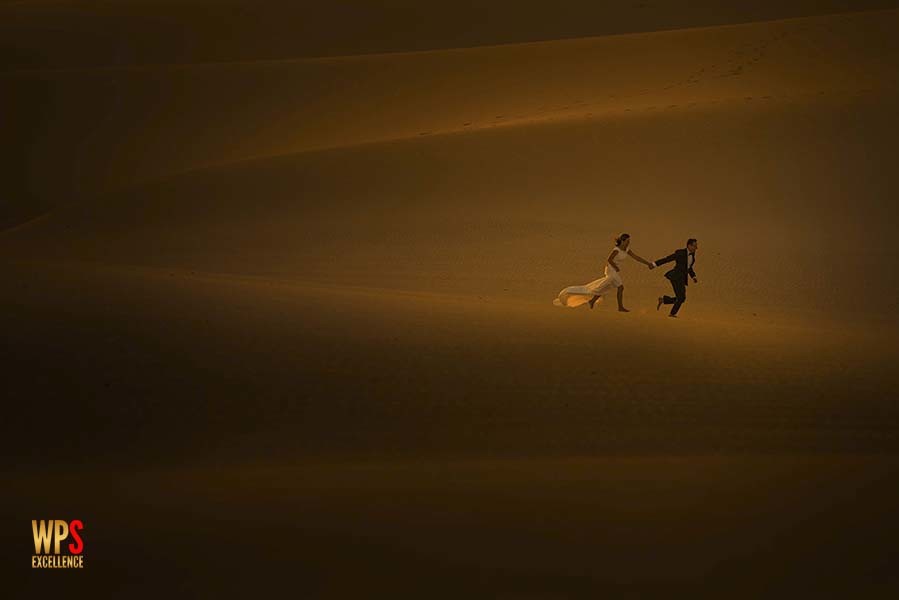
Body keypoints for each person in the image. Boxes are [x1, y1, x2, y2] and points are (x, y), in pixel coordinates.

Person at [554, 233, 655, 311]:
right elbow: (609, 259)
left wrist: (648, 263)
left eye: (629, 241)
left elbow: (636, 257)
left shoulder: (627, 250)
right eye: (627, 241)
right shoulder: (616, 250)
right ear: (623, 241)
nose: (629, 242)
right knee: (620, 287)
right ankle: (620, 307)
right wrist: (615, 267)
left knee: (604, 286)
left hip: (614, 270)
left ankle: (592, 301)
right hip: (611, 270)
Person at [653, 238, 698, 318]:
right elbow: (668, 259)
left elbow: (688, 267)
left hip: (682, 278)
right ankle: (672, 313)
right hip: (675, 276)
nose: (696, 247)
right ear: (689, 246)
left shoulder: (692, 256)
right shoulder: (680, 253)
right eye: (694, 246)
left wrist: (693, 276)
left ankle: (664, 300)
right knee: (681, 298)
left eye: (696, 246)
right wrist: (655, 264)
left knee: (681, 298)